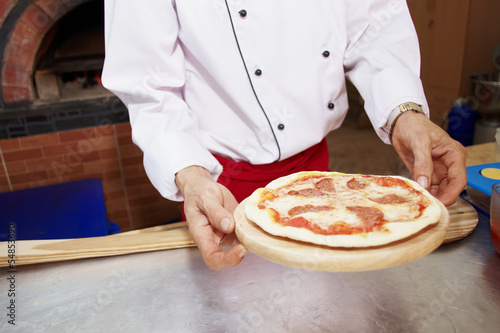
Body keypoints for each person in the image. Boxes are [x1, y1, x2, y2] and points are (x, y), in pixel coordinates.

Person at [102, 0, 467, 270]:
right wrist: (191, 176)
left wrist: (405, 112)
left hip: (320, 178)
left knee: (319, 302)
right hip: (217, 182)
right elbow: (148, 88)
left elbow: (375, 23)